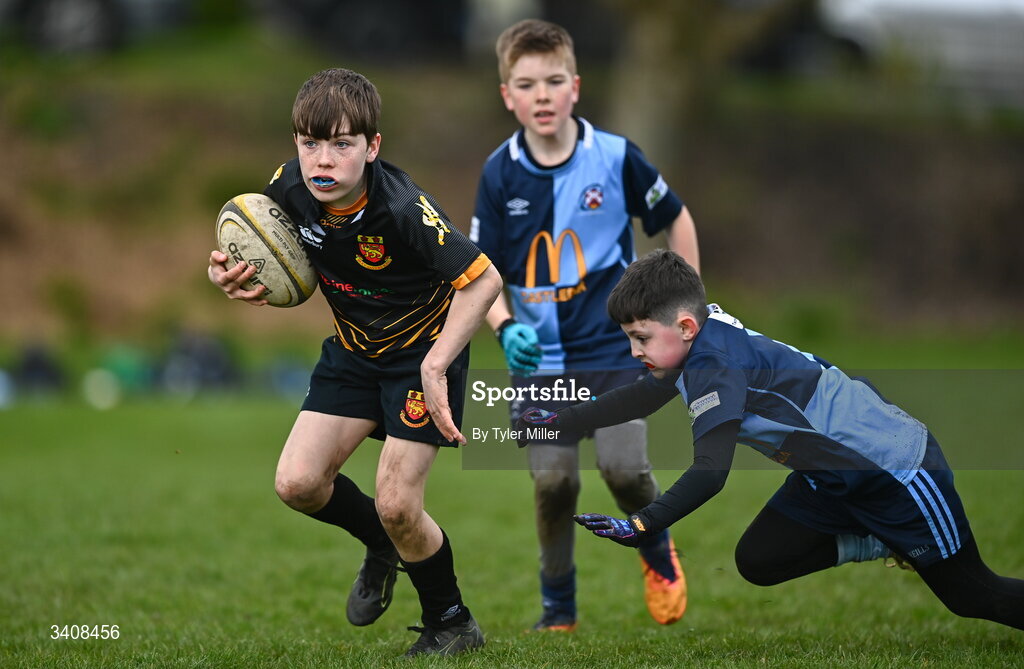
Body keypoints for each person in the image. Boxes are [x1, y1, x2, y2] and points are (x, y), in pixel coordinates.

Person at [519, 249, 1024, 631]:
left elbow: (711, 472)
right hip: (829, 477)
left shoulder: (714, 367)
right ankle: (877, 540)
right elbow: (639, 399)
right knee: (759, 560)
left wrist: (642, 523)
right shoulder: (698, 339)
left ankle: (894, 534)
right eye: (629, 337)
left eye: (641, 337)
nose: (634, 351)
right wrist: (558, 424)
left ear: (686, 326)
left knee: (974, 597)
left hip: (895, 472)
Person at [208, 68, 502, 657]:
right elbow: (257, 247)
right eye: (310, 143)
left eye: (342, 144)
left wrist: (438, 363)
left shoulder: (404, 209)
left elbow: (484, 280)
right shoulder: (288, 188)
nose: (322, 160)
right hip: (353, 351)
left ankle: (452, 622)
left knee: (398, 501)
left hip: (420, 355)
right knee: (298, 484)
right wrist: (225, 274)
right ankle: (382, 543)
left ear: (372, 148)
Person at [470, 19, 699, 630]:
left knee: (624, 470)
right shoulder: (499, 174)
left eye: (552, 81)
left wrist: (686, 309)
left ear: (575, 87)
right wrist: (503, 324)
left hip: (615, 352)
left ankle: (657, 550)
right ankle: (558, 605)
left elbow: (677, 220)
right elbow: (480, 268)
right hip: (539, 362)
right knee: (554, 484)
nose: (541, 95)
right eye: (526, 84)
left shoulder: (616, 157)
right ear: (507, 96)